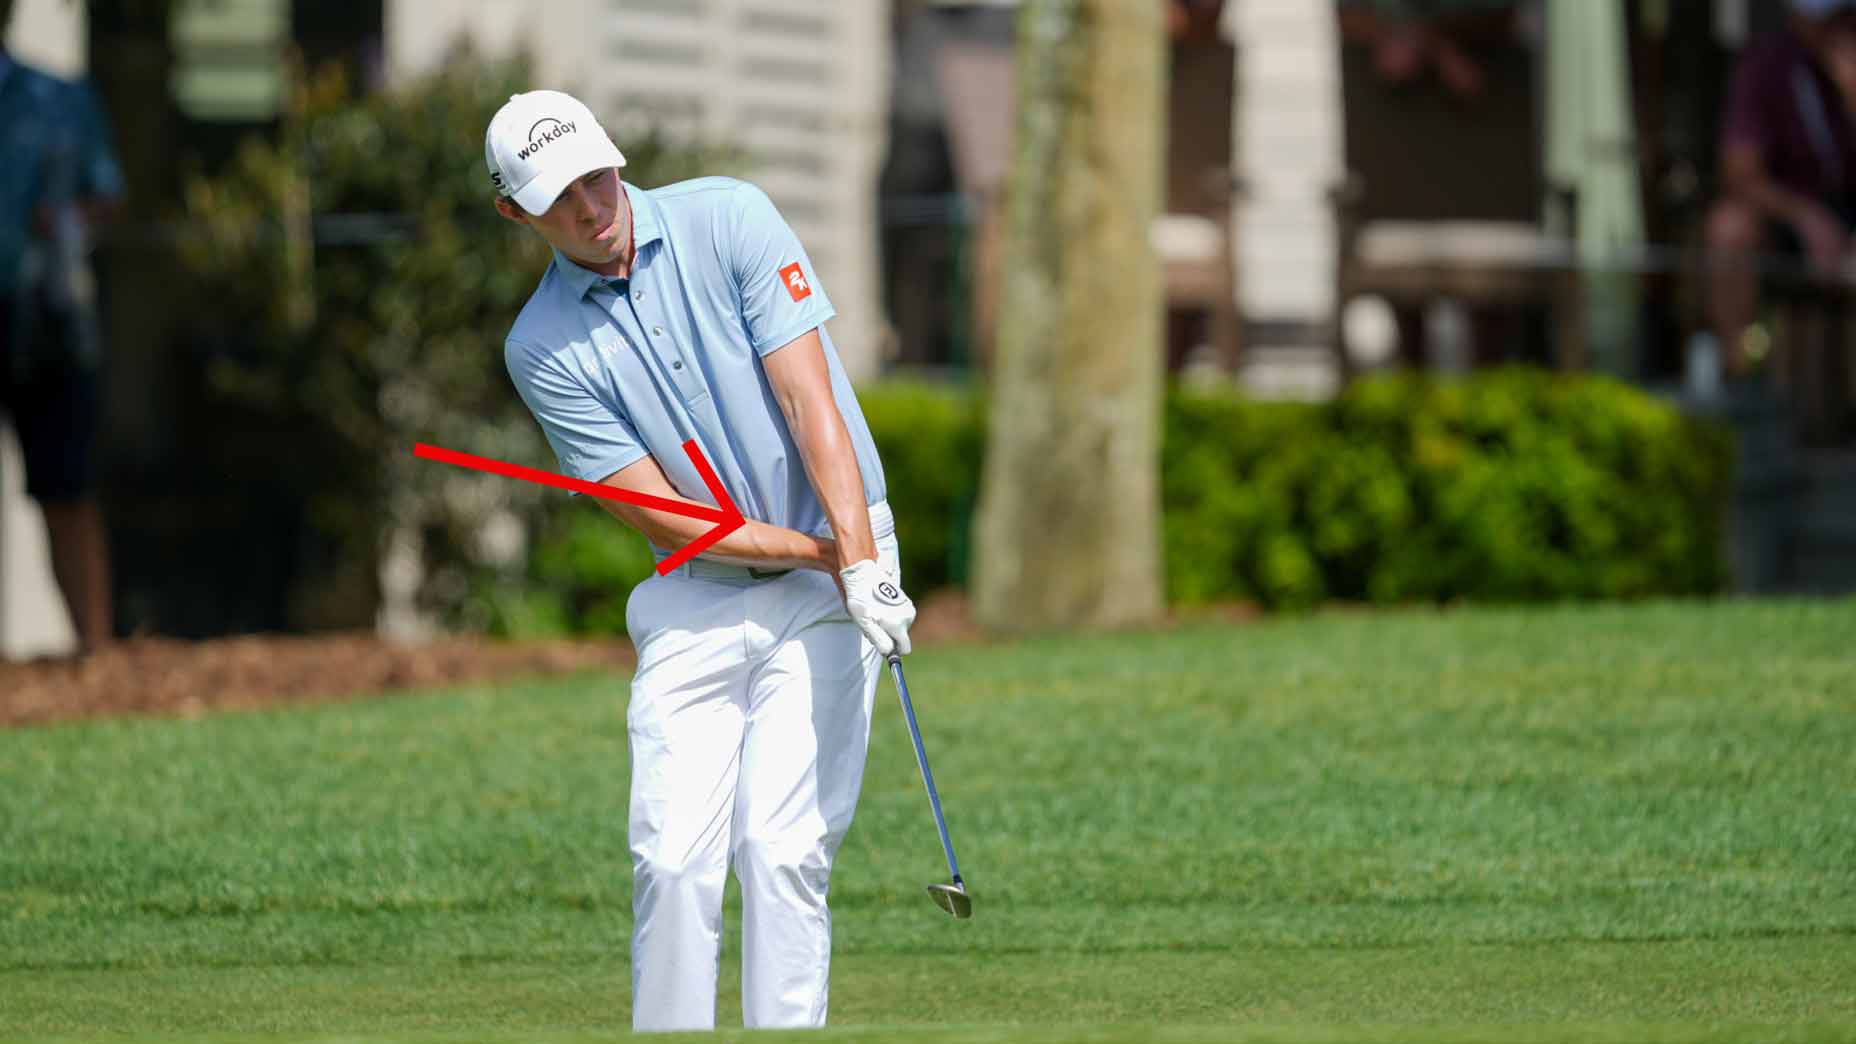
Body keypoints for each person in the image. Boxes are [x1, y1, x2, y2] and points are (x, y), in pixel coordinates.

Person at [484, 90, 917, 1032]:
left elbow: (810, 403)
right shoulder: (541, 347)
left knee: (781, 848)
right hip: (701, 592)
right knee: (673, 858)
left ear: (615, 156)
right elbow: (676, 522)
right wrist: (838, 558)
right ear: (516, 213)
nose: (592, 208)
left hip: (834, 572)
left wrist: (859, 559)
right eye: (560, 198)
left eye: (596, 178)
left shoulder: (730, 217)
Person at [0, 17, 122, 655]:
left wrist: (68, 219)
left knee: (65, 488)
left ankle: (94, 656)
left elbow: (106, 193)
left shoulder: (61, 99)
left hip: (46, 319)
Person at [1707, 0, 1856, 373]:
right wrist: (1807, 218)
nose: (1838, 30)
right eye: (1828, 21)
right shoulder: (1767, 65)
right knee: (1729, 228)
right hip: (1789, 216)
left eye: (1845, 18)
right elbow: (1739, 174)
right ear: (1797, 20)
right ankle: (1739, 370)